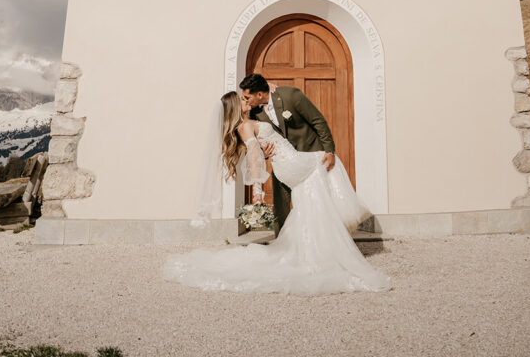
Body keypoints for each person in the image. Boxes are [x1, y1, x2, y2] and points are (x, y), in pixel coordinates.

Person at [163, 90, 390, 294]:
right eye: (242, 99)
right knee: (329, 159)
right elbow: (253, 156)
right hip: (292, 163)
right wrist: (259, 192)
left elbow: (258, 145)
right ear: (235, 106)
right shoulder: (244, 126)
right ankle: (343, 224)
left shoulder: (249, 122)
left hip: (286, 168)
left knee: (310, 204)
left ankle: (315, 252)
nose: (246, 99)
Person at [239, 73, 336, 236]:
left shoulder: (291, 95)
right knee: (280, 205)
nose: (246, 100)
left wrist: (329, 150)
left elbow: (317, 120)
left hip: (308, 152)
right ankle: (283, 242)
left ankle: (318, 236)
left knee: (312, 199)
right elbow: (255, 142)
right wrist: (264, 153)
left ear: (260, 94)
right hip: (282, 161)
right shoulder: (254, 113)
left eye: (247, 97)